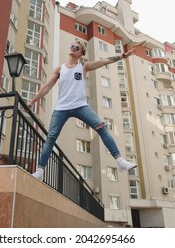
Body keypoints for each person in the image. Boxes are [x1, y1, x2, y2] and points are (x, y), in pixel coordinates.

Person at [28, 41, 137, 181]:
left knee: (101, 127)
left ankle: (120, 161)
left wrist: (122, 56)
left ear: (81, 53)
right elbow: (46, 87)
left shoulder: (84, 66)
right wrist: (32, 101)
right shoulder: (60, 69)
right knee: (51, 137)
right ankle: (40, 171)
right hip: (61, 108)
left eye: (77, 48)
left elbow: (104, 61)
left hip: (80, 106)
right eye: (72, 46)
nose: (73, 48)